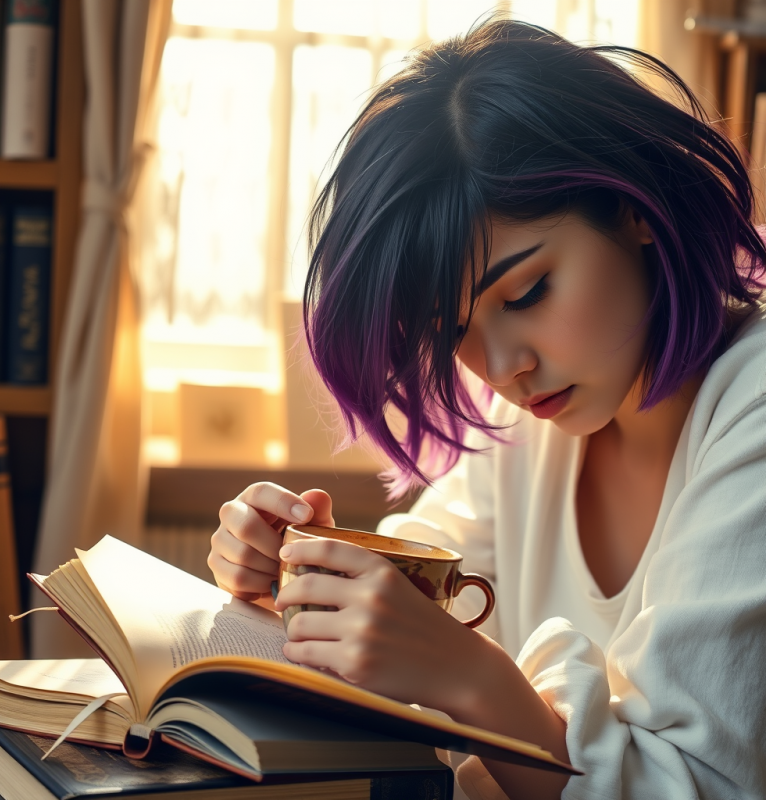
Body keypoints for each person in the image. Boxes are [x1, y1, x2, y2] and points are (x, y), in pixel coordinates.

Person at [208, 17, 766, 800]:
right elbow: (422, 568)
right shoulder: (538, 430)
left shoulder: (755, 407)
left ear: (635, 207)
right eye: (452, 332)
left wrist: (477, 684)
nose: (504, 369)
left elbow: (700, 786)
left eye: (527, 292)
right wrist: (294, 567)